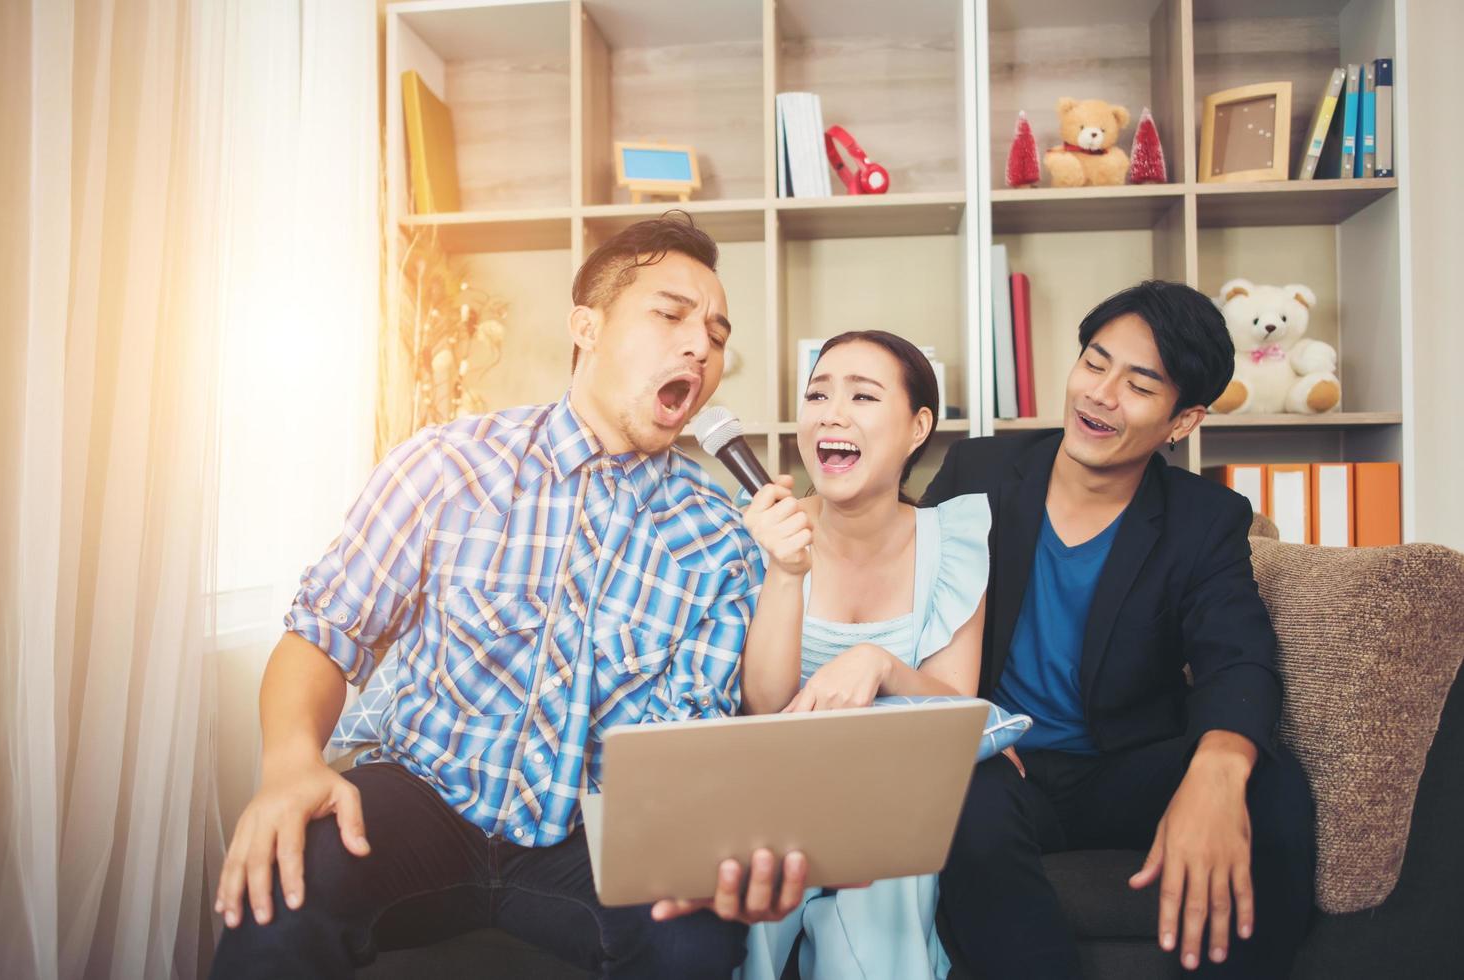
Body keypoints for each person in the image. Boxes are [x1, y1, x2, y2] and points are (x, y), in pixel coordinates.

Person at [210, 214, 809, 979]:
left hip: (599, 833)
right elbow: (323, 633)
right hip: (423, 795)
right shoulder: (445, 464)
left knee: (693, 942)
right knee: (283, 885)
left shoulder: (722, 537)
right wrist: (291, 762)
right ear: (585, 327)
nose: (700, 344)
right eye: (669, 314)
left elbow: (722, 725)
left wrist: (713, 841)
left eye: (718, 334)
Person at [925, 280, 1316, 978]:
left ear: (1182, 420)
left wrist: (1218, 771)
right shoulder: (977, 471)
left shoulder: (1204, 519)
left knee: (1272, 787)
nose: (1099, 394)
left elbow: (1238, 659)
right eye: (1094, 362)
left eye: (1138, 384)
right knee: (960, 790)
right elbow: (909, 604)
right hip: (1002, 762)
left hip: (1123, 768)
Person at [735, 330, 991, 980]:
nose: (831, 413)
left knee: (885, 885)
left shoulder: (952, 540)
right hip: (773, 793)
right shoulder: (769, 532)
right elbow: (762, 706)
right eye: (817, 394)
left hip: (887, 796)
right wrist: (784, 572)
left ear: (916, 427)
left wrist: (879, 663)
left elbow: (956, 707)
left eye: (862, 396)